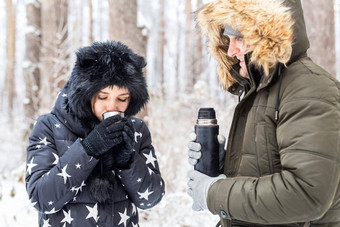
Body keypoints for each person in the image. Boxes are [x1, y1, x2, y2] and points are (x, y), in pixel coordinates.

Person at [187, 0, 340, 226]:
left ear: (269, 34)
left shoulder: (309, 89)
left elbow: (306, 195)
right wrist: (224, 165)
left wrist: (214, 193)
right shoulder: (261, 90)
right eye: (228, 39)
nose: (231, 50)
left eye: (240, 37)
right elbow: (266, 170)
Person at [25, 41, 165, 226]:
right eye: (103, 97)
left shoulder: (136, 130)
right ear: (85, 93)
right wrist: (88, 149)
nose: (112, 107)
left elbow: (151, 198)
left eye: (122, 99)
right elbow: (41, 198)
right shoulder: (49, 127)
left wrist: (127, 161)